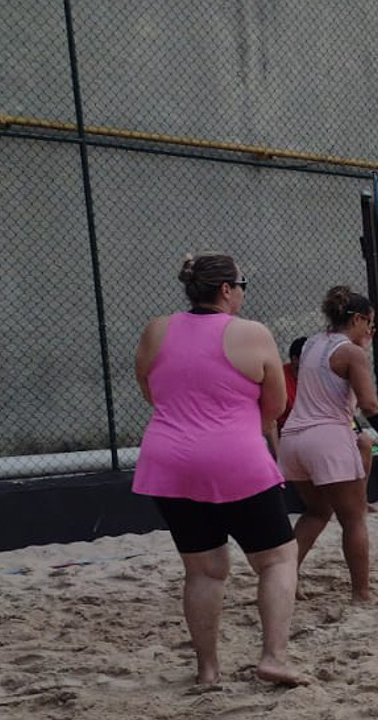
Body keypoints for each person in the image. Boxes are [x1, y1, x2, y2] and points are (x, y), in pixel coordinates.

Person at [130, 253, 304, 687]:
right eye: (242, 285)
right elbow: (275, 406)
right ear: (226, 289)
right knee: (278, 559)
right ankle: (274, 657)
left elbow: (150, 390)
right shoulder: (252, 333)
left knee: (203, 570)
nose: (243, 293)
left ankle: (207, 670)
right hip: (234, 457)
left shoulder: (156, 329)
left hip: (168, 460)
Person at [278, 286, 378, 602]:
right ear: (357, 319)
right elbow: (370, 405)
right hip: (327, 438)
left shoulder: (312, 343)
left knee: (316, 513)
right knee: (353, 519)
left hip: (293, 439)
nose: (371, 331)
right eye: (370, 323)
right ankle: (361, 593)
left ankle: (284, 579)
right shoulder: (351, 353)